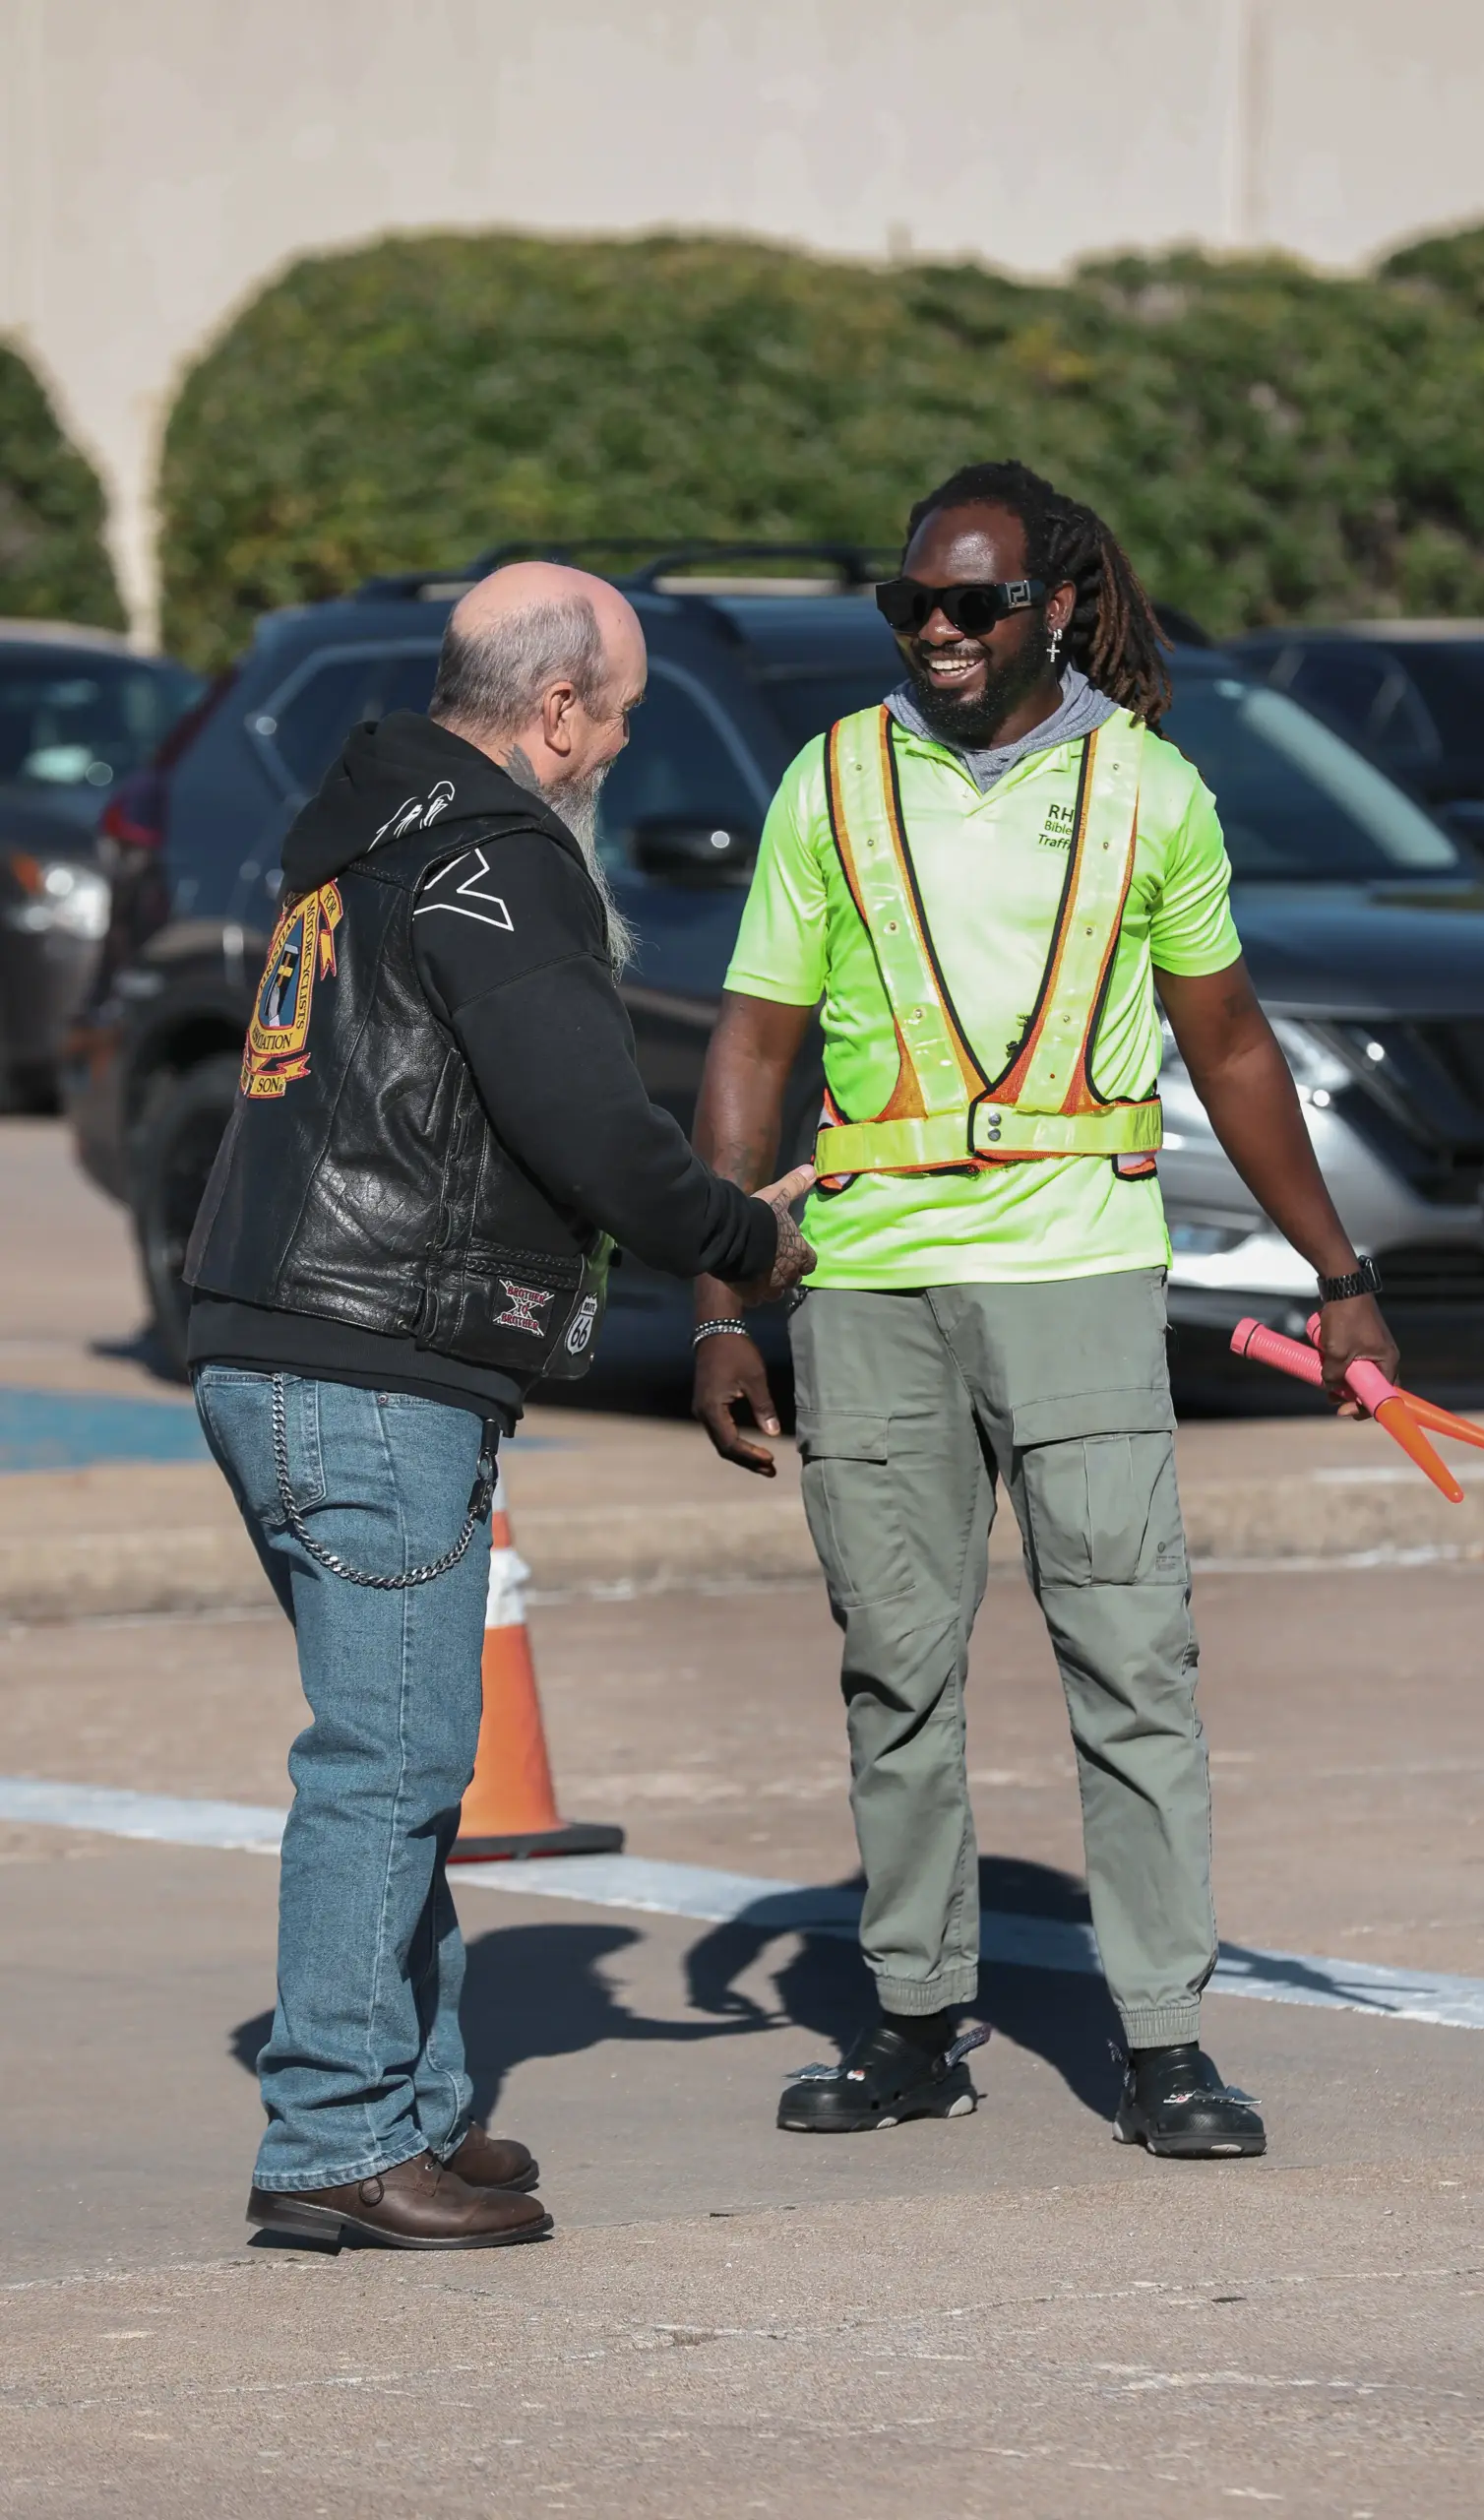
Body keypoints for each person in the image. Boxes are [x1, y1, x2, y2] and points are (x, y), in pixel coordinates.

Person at [691, 462, 1397, 2159]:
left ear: (1055, 605)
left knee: (1130, 1657)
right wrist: (722, 1298)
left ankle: (1161, 2039)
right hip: (866, 1285)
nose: (935, 630)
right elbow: (754, 1047)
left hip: (1079, 1273)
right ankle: (914, 2022)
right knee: (896, 1670)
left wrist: (1342, 1279)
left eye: (972, 603)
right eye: (911, 603)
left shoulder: (1150, 790)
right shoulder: (830, 780)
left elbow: (1226, 1044)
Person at [186, 562, 815, 2247]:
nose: (612, 747)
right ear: (553, 712)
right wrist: (746, 1236)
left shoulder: (367, 842)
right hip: (366, 1354)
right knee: (386, 1763)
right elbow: (589, 1125)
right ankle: (332, 2144)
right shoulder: (503, 859)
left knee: (407, 1757)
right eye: (614, 718)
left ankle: (411, 2105)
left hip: (279, 1340)